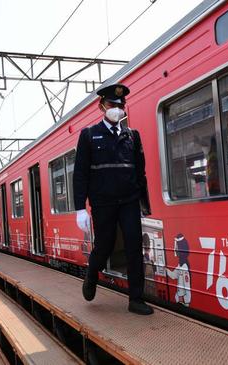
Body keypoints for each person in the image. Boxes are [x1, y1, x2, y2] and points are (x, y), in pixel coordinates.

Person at [73, 83, 153, 315]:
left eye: (121, 105)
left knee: (134, 247)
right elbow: (81, 174)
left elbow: (140, 173)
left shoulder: (132, 136)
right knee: (105, 246)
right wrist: (80, 208)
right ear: (101, 107)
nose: (117, 108)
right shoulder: (88, 135)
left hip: (128, 201)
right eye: (112, 104)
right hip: (103, 202)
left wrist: (143, 204)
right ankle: (92, 273)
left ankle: (135, 299)